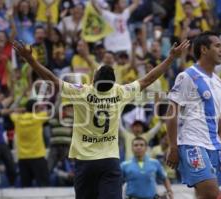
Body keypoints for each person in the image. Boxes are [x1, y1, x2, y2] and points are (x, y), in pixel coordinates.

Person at [12, 39, 189, 199]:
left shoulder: (81, 91)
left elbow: (50, 78)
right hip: (109, 160)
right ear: (112, 83)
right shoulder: (119, 92)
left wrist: (31, 60)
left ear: (94, 80)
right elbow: (148, 79)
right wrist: (170, 58)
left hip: (84, 162)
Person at [166, 32, 221, 199]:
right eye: (217, 45)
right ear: (204, 49)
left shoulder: (219, 82)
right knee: (210, 192)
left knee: (205, 195)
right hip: (191, 143)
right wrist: (173, 146)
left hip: (214, 145)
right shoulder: (187, 76)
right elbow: (171, 113)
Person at [10, 99, 50, 187]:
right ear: (35, 108)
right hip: (38, 157)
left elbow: (11, 110)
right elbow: (53, 111)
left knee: (26, 188)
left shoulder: (17, 118)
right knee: (44, 186)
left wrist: (21, 110)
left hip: (23, 158)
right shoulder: (38, 117)